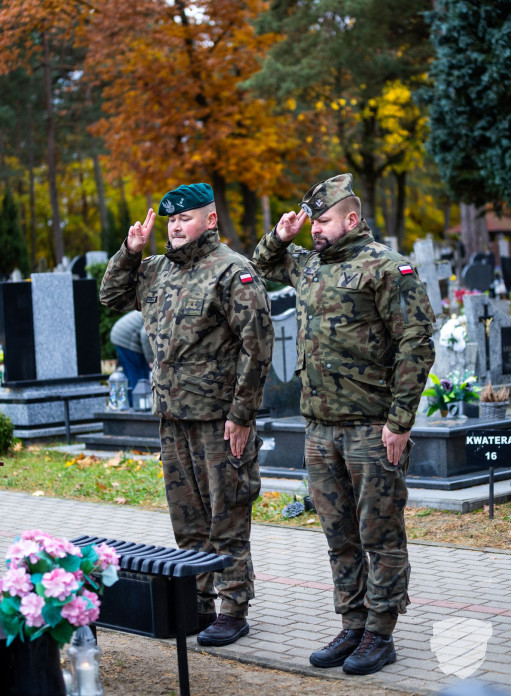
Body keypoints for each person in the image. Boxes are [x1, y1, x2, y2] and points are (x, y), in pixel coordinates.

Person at [252, 173, 435, 675]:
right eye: (312, 221)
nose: (315, 228)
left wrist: (400, 421)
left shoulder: (387, 267)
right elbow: (260, 266)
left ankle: (380, 632)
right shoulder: (310, 266)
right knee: (340, 536)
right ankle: (353, 623)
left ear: (351, 219)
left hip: (371, 428)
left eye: (324, 220)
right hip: (320, 430)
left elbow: (416, 343)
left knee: (381, 535)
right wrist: (280, 235)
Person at [100, 182, 273, 646]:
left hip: (219, 420)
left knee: (227, 514)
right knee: (188, 519)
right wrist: (130, 251)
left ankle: (234, 607)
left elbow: (257, 348)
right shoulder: (155, 269)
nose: (175, 227)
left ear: (210, 220)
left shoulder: (233, 271)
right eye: (172, 220)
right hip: (173, 417)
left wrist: (242, 414)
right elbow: (110, 296)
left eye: (185, 218)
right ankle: (199, 601)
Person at [110, 310, 153, 403]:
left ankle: (129, 403)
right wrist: (150, 360)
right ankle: (138, 405)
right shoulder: (162, 312)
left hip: (120, 334)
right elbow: (145, 334)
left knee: (129, 376)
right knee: (140, 376)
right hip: (126, 338)